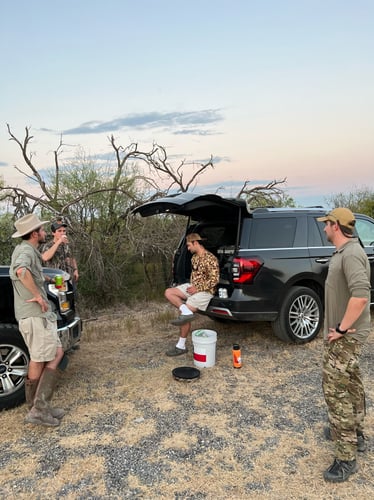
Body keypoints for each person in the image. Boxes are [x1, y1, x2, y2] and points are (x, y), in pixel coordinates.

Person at [317, 207, 371, 483]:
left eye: (326, 224)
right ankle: (357, 433)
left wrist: (340, 328)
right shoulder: (343, 252)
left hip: (346, 338)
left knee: (336, 392)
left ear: (335, 225)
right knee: (351, 384)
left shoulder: (350, 254)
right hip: (345, 336)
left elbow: (361, 296)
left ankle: (346, 458)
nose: (324, 228)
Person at [10, 213, 65, 427]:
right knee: (39, 358)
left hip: (39, 316)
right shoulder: (24, 250)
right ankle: (38, 410)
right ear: (35, 234)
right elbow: (21, 271)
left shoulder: (29, 251)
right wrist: (38, 296)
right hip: (33, 315)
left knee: (55, 352)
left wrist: (47, 279)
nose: (44, 232)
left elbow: (32, 272)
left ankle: (38, 406)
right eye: (42, 230)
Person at [164, 233, 219, 356]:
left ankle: (181, 346)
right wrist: (191, 287)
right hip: (192, 287)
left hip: (205, 291)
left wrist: (197, 288)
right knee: (169, 292)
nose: (188, 249)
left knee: (185, 312)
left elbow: (214, 280)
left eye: (189, 245)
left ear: (195, 243)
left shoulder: (211, 258)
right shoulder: (194, 258)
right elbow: (194, 277)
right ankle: (186, 311)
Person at [39, 218, 79, 285]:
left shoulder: (67, 245)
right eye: (59, 231)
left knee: (71, 294)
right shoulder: (48, 246)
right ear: (53, 233)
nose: (62, 233)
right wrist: (59, 242)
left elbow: (72, 257)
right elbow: (45, 257)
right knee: (59, 295)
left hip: (68, 278)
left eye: (64, 231)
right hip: (55, 280)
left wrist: (75, 270)